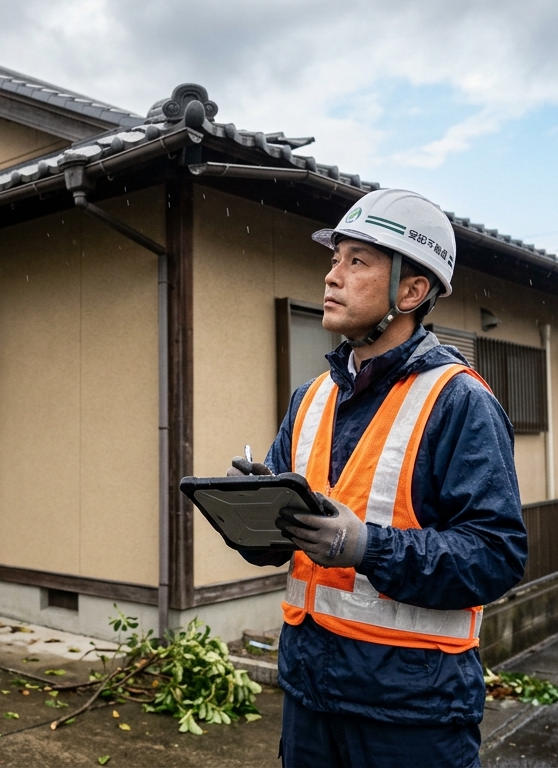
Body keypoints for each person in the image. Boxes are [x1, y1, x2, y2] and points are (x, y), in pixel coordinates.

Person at [228, 189, 528, 768]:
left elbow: (496, 555)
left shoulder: (459, 401)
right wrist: (255, 517)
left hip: (412, 713)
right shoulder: (311, 397)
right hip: (310, 698)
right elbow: (288, 551)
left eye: (356, 261)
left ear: (412, 292)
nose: (331, 276)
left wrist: (366, 546)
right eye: (334, 258)